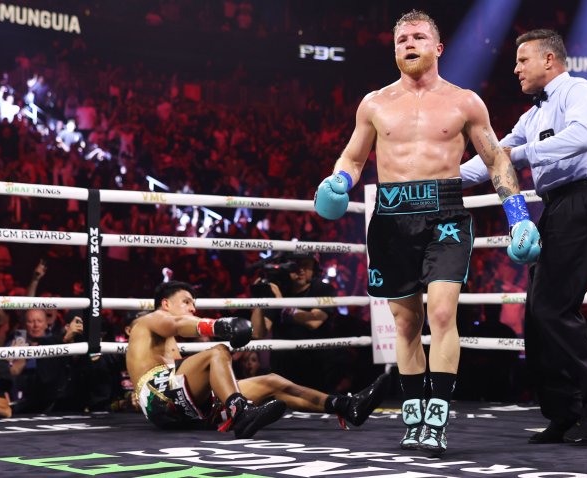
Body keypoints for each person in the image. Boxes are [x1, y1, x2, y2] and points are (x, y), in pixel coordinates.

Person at [313, 10, 539, 455]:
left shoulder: (466, 102)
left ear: (437, 48)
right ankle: (413, 412)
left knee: (440, 315)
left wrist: (518, 214)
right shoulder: (374, 103)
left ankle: (436, 417)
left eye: (417, 37)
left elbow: (496, 160)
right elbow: (354, 158)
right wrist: (337, 180)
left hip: (446, 215)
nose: (408, 44)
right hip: (392, 217)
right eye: (401, 39)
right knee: (406, 322)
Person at [459, 28, 587, 444]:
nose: (515, 69)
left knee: (553, 306)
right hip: (554, 207)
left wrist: (522, 154)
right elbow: (492, 158)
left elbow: (584, 137)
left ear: (549, 60)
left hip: (585, 201)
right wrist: (439, 180)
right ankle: (564, 412)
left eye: (522, 60)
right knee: (536, 314)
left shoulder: (580, 92)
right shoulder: (532, 116)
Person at [126, 280, 388, 438]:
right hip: (158, 394)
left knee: (272, 382)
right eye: (186, 301)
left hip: (183, 406)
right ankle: (241, 413)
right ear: (165, 303)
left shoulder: (167, 341)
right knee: (218, 350)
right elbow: (179, 322)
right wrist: (217, 326)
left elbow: (184, 326)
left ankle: (344, 406)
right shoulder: (149, 321)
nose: (192, 307)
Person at [251, 253, 339, 391]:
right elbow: (257, 333)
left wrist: (282, 305)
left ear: (314, 268)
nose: (301, 270)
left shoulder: (323, 289)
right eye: (296, 265)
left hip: (315, 369)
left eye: (306, 265)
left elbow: (314, 321)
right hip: (282, 370)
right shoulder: (279, 290)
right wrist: (258, 302)